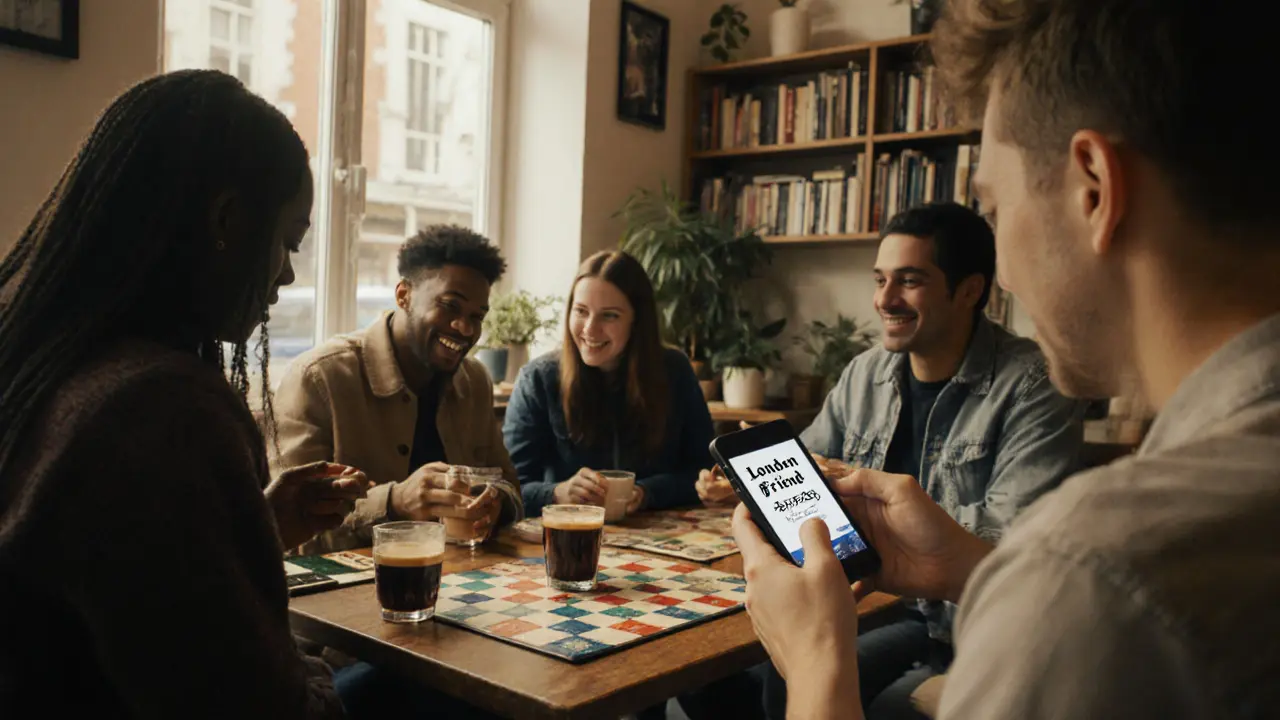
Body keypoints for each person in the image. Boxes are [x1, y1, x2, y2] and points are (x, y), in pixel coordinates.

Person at [733, 0, 1280, 718]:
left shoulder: (1091, 579)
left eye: (995, 207)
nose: (1007, 276)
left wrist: (815, 660)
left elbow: (1077, 582)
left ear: (1093, 189)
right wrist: (965, 564)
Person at [0, 70, 371, 716]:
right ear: (226, 219)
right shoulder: (157, 412)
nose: (285, 275)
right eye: (285, 243)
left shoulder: (51, 370)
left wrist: (257, 526)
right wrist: (307, 668)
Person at [721, 202, 1087, 720]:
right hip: (865, 593)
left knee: (796, 673)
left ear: (969, 291)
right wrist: (758, 479)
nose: (884, 299)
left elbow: (1014, 537)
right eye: (880, 279)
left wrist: (897, 530)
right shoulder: (865, 372)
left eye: (909, 281)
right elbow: (815, 460)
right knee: (728, 677)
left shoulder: (1032, 384)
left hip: (953, 621)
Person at [273, 225, 522, 556]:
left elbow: (509, 486)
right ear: (403, 295)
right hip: (344, 597)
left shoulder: (474, 380)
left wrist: (496, 504)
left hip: (457, 580)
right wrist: (393, 503)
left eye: (477, 316)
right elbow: (287, 531)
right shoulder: (319, 378)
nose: (465, 328)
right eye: (450, 306)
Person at [503, 250, 714, 517]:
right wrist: (558, 492)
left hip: (655, 533)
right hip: (568, 535)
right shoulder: (538, 379)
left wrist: (647, 492)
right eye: (581, 311)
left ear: (637, 321)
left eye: (609, 315)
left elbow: (704, 471)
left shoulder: (674, 370)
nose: (590, 329)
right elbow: (506, 488)